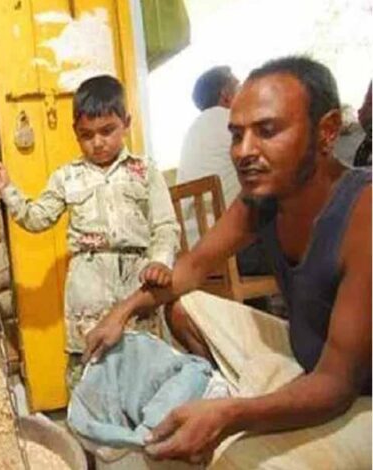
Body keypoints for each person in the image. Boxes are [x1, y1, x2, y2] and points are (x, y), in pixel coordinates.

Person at [84, 56, 371, 468]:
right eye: (237, 135)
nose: (245, 151)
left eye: (267, 131)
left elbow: (337, 385)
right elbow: (194, 267)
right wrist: (122, 311)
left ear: (326, 131)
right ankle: (240, 404)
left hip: (356, 393)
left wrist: (230, 417)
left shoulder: (364, 213)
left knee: (241, 459)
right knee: (184, 306)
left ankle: (238, 411)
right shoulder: (263, 199)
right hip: (310, 360)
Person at [0, 75, 179, 391]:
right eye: (87, 135)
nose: (97, 142)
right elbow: (36, 219)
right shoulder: (66, 177)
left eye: (107, 131)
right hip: (88, 287)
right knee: (88, 366)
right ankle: (87, 419)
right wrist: (7, 188)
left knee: (145, 364)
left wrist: (160, 262)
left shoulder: (144, 171)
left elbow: (165, 226)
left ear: (126, 123)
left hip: (138, 282)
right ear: (75, 132)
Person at [178, 66, 270, 276]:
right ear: (227, 96)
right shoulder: (233, 123)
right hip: (232, 253)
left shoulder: (192, 132)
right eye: (240, 87)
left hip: (194, 252)